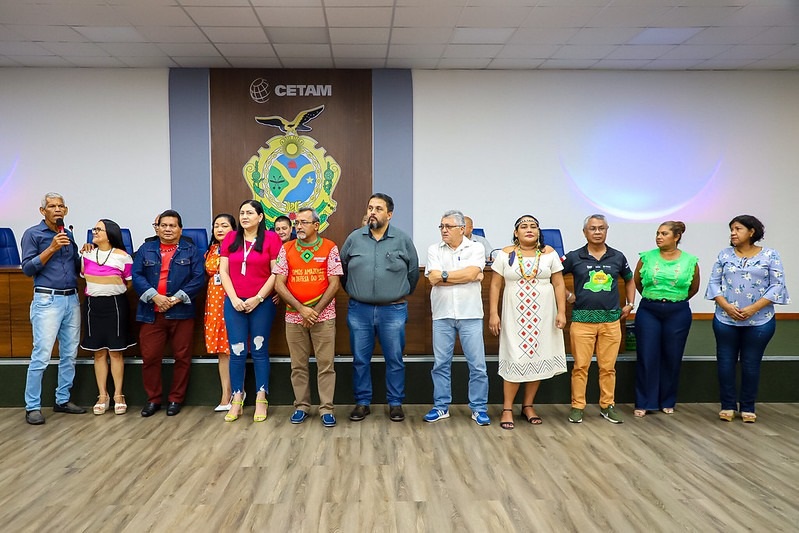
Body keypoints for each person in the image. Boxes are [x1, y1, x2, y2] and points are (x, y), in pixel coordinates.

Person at [340, 193, 419, 422]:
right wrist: (357, 291)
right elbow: (342, 269)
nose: (372, 212)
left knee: (394, 358)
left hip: (392, 310)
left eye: (378, 209)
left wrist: (396, 293)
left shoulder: (402, 240)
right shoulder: (354, 238)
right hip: (359, 310)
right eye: (370, 208)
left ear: (389, 214)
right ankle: (362, 402)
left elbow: (413, 273)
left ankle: (395, 403)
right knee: (360, 359)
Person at [705, 215, 790, 423]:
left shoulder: (770, 255)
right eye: (731, 229)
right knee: (725, 363)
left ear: (752, 232)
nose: (733, 233)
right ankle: (727, 406)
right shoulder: (724, 254)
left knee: (751, 364)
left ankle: (748, 407)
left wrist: (753, 308)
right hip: (725, 319)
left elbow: (777, 285)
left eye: (738, 229)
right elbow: (714, 283)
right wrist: (726, 306)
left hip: (760, 320)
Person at [489, 214, 567, 430]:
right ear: (516, 233)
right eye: (524, 226)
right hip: (515, 315)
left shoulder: (549, 253)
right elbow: (495, 285)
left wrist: (562, 312)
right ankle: (507, 408)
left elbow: (559, 284)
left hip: (543, 315)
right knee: (515, 357)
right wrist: (493, 313)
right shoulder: (505, 254)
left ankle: (528, 406)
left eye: (533, 226)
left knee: (538, 356)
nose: (529, 229)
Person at [562, 214, 635, 424]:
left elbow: (629, 280)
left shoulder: (618, 256)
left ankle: (607, 406)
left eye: (601, 228)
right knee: (580, 367)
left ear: (606, 230)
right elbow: (553, 276)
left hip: (611, 321)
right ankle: (577, 407)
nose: (597, 232)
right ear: (584, 232)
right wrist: (568, 295)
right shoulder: (574, 256)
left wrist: (630, 303)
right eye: (592, 228)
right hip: (582, 321)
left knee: (608, 368)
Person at [20, 192, 86, 424]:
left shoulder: (67, 234)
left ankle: (62, 399)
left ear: (65, 210)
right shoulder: (33, 234)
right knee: (41, 355)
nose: (57, 209)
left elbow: (76, 266)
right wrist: (51, 248)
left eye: (61, 206)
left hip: (71, 299)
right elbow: (27, 269)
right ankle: (32, 407)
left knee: (69, 354)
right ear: (43, 211)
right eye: (52, 206)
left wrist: (86, 253)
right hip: (47, 300)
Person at [132, 209, 205, 417]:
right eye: (163, 225)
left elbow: (198, 278)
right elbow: (136, 275)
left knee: (182, 357)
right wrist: (155, 296)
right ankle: (153, 399)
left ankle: (175, 399)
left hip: (181, 312)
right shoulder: (145, 249)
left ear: (180, 229)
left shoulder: (191, 251)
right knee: (150, 357)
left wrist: (174, 299)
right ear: (157, 228)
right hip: (151, 313)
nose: (168, 229)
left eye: (172, 226)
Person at [274, 207, 343, 427]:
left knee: (326, 365)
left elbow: (334, 284)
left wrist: (315, 311)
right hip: (294, 317)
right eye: (297, 223)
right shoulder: (286, 248)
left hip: (324, 317)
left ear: (316, 225)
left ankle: (326, 409)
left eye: (304, 222)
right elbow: (279, 284)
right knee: (298, 366)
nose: (299, 227)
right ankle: (301, 406)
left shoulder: (330, 247)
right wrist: (301, 309)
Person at [423, 210, 491, 426]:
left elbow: (472, 274)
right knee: (440, 364)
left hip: (470, 314)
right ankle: (441, 407)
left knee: (477, 366)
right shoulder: (434, 249)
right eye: (441, 226)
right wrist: (464, 276)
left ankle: (478, 409)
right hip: (442, 314)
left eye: (448, 226)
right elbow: (433, 278)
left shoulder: (476, 248)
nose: (444, 230)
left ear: (462, 229)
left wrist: (445, 275)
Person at [219, 200, 282, 423]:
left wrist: (258, 298)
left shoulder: (272, 239)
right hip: (234, 302)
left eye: (250, 213)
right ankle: (237, 398)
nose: (244, 216)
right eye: (242, 213)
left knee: (259, 349)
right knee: (236, 350)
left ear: (260, 217)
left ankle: (261, 397)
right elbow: (223, 271)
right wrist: (234, 298)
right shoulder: (230, 238)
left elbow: (276, 273)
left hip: (261, 303)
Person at [633, 221, 700, 418]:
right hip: (649, 310)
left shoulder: (690, 261)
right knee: (647, 356)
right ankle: (644, 402)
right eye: (657, 233)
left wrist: (673, 299)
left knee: (672, 356)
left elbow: (693, 288)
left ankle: (667, 400)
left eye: (664, 234)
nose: (659, 237)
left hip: (677, 312)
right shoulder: (646, 257)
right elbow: (638, 282)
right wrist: (655, 297)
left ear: (676, 237)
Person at [80, 219, 136, 415]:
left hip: (115, 305)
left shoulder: (124, 256)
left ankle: (118, 395)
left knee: (115, 352)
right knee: (98, 352)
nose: (94, 232)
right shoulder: (86, 254)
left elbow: (129, 283)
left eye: (99, 229)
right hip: (93, 306)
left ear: (110, 233)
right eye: (94, 229)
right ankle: (102, 395)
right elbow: (83, 276)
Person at [205, 213, 237, 411]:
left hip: (232, 299)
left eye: (224, 225)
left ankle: (237, 391)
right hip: (214, 303)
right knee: (221, 351)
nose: (219, 229)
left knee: (234, 348)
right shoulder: (211, 249)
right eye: (216, 225)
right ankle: (225, 393)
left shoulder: (239, 249)